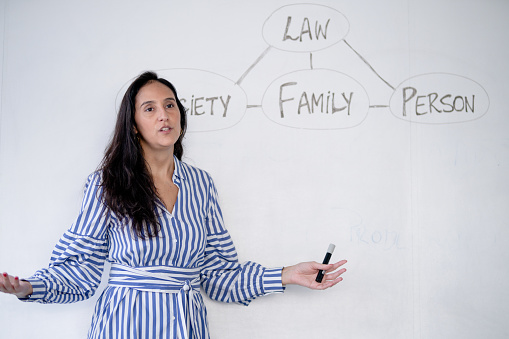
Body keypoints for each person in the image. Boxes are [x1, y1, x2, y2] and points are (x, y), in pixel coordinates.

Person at [0, 71, 347, 339]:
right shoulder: (108, 183)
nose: (164, 114)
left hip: (186, 324)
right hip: (125, 323)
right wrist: (30, 287)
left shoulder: (201, 185)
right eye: (149, 109)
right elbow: (81, 270)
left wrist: (286, 275)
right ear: (134, 126)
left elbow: (218, 276)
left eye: (170, 105)